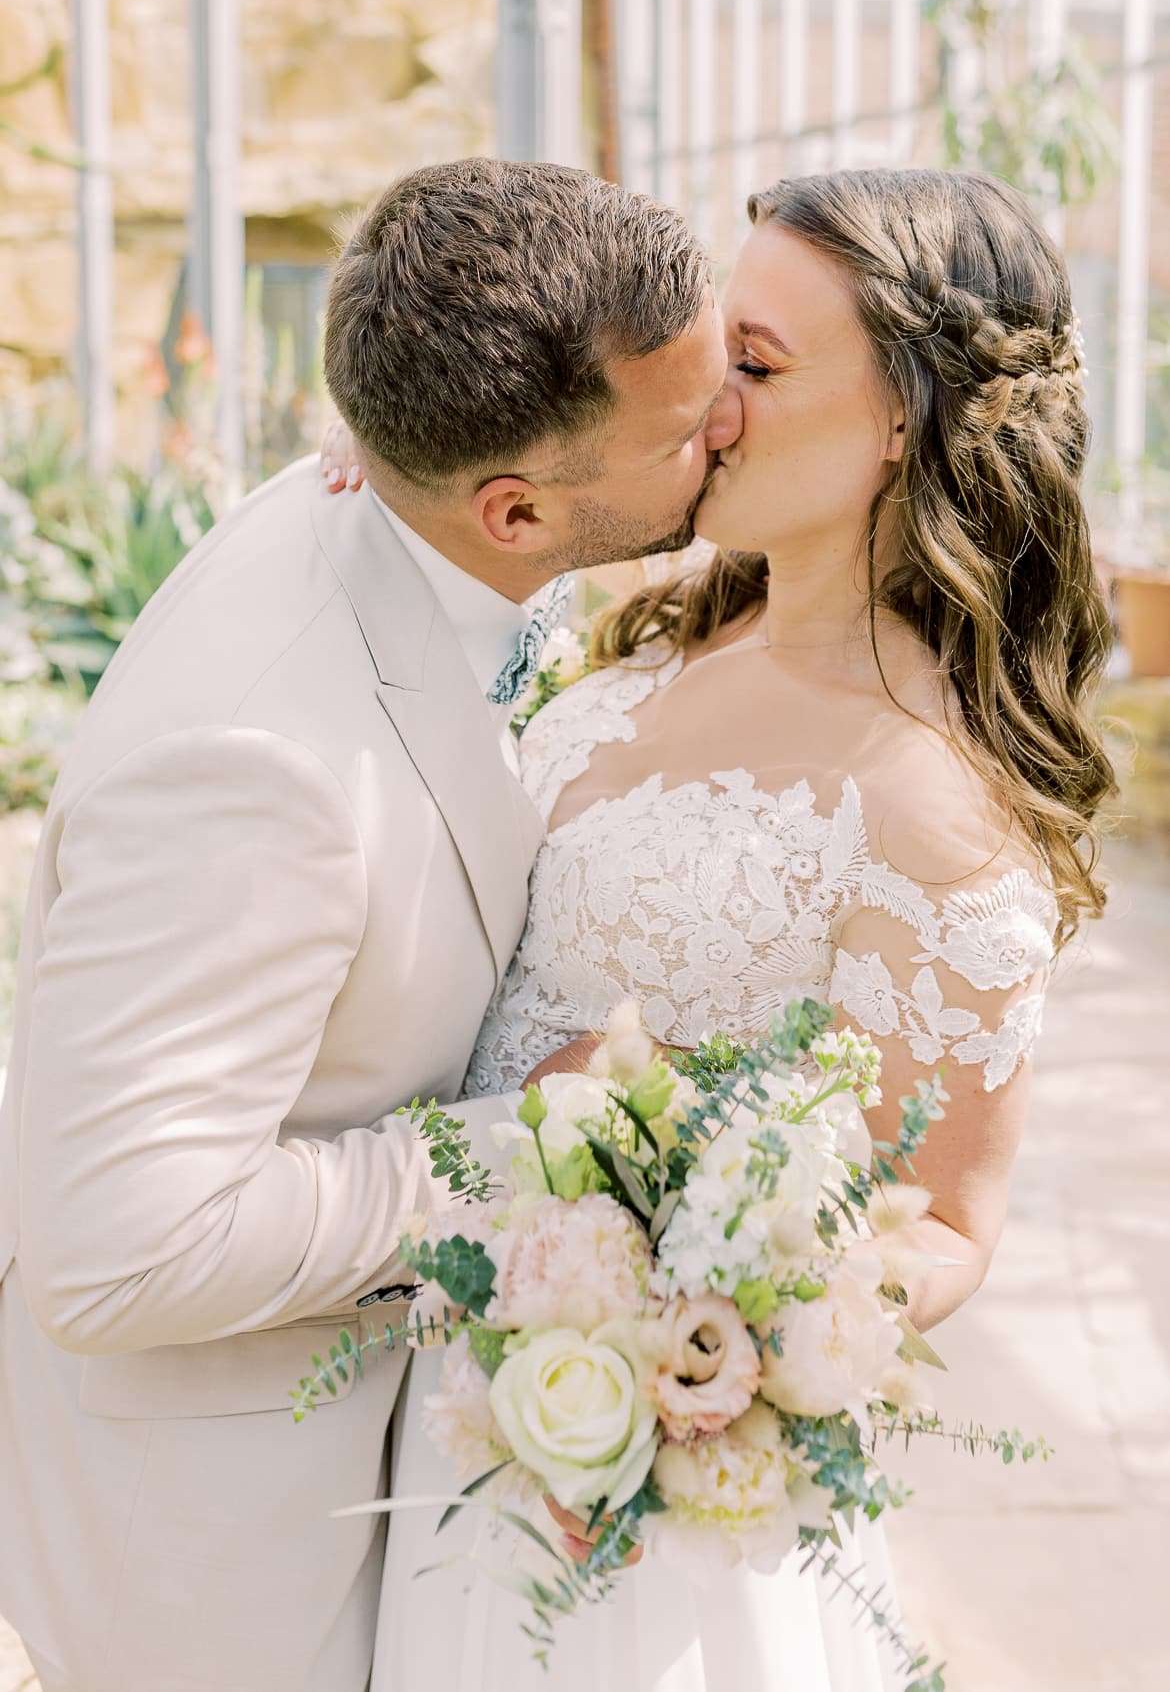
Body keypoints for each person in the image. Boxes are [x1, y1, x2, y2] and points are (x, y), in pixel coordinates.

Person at [330, 167, 1115, 1690]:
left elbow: (939, 1227)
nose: (708, 402)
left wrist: (678, 1301)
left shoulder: (926, 805)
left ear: (908, 417)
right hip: (433, 1413)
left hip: (635, 1508)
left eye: (754, 365)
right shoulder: (623, 633)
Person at [0, 158, 740, 1692]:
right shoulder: (257, 761)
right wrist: (512, 1150)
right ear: (515, 508)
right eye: (681, 429)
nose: (725, 420)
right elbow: (116, 1249)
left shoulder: (394, 497)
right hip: (228, 1558)